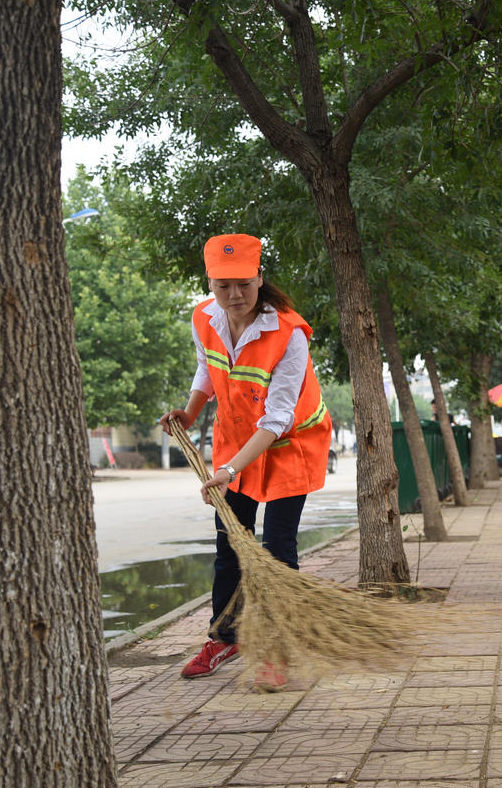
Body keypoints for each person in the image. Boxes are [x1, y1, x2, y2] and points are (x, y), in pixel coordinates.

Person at [160, 233, 332, 685]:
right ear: (210, 282)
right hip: (236, 440)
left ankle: (278, 648)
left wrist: (228, 470)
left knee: (277, 550)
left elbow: (277, 420)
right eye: (223, 286)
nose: (234, 295)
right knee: (229, 547)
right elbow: (207, 365)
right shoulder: (204, 317)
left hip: (290, 444)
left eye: (244, 284)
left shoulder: (289, 333)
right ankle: (224, 637)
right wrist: (191, 410)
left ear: (260, 277)